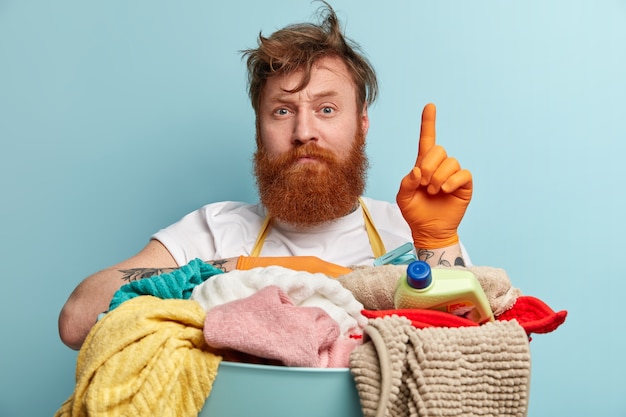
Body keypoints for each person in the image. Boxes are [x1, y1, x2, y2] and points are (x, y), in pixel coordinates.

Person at [58, 3, 473, 350]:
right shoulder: (212, 231)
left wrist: (438, 243)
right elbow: (77, 320)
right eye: (282, 110)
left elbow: (467, 351)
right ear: (260, 129)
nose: (304, 131)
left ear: (362, 124)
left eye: (326, 109)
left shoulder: (410, 233)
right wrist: (255, 267)